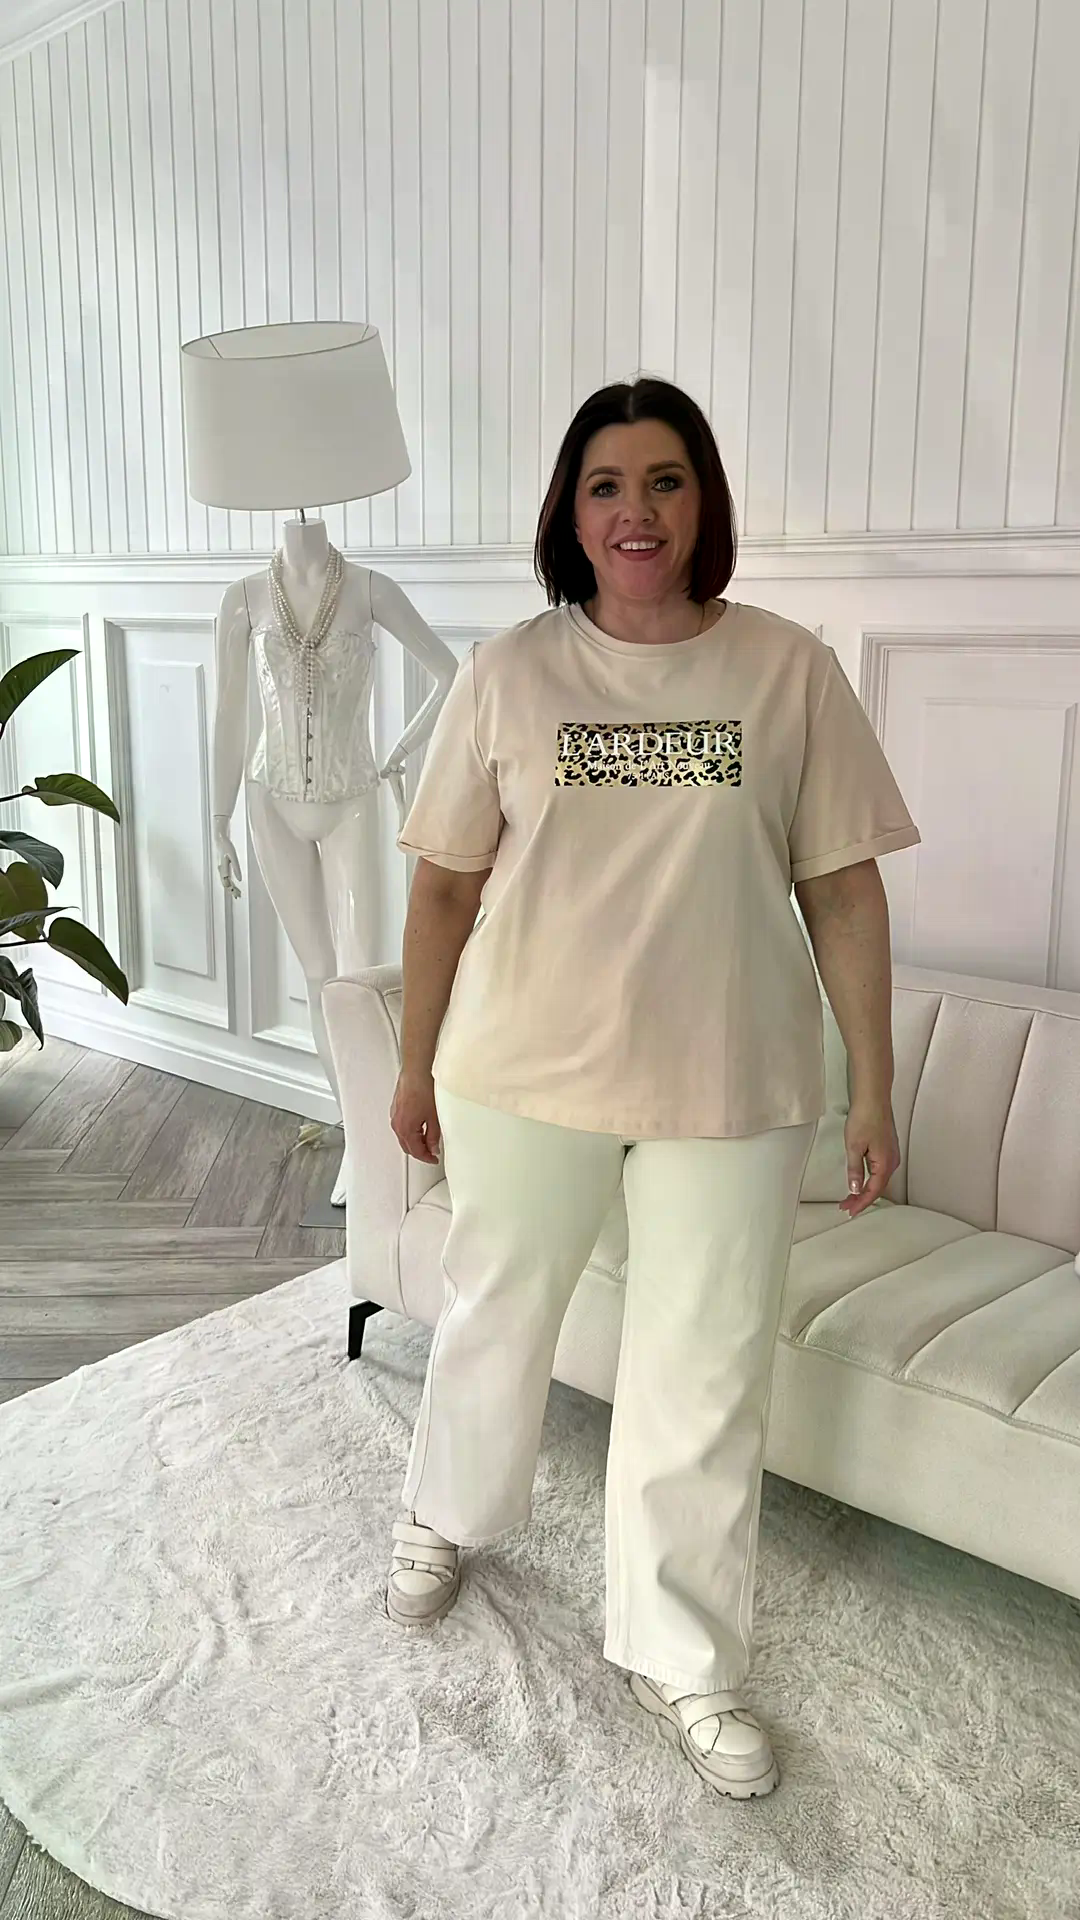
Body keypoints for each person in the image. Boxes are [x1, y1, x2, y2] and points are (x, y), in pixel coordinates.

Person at [382, 376, 920, 1801]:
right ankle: (447, 1514)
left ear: (704, 503)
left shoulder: (788, 671)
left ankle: (684, 1656)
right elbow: (442, 888)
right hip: (522, 1066)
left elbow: (844, 889)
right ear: (571, 511)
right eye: (607, 484)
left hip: (732, 1077)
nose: (637, 512)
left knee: (706, 1363)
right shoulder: (509, 672)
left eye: (666, 481)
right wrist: (412, 1060)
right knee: (498, 1311)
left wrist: (873, 1086)